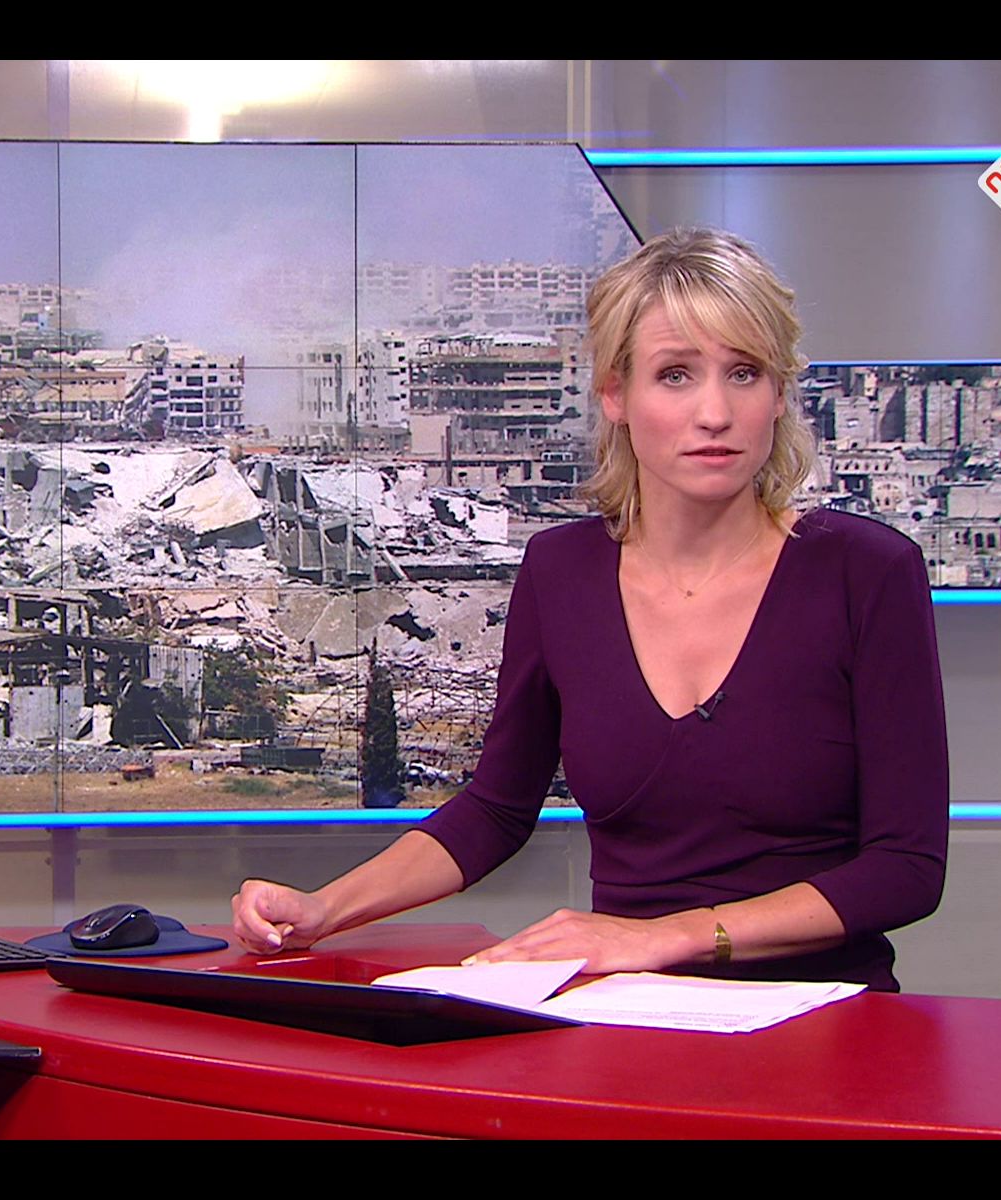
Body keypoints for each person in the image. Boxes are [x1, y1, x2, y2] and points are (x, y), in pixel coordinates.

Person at [231, 227, 949, 991]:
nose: (715, 411)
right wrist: (324, 908)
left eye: (744, 373)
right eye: (675, 375)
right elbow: (496, 809)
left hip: (827, 1013)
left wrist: (664, 938)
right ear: (616, 394)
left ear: (778, 396)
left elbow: (906, 867)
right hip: (628, 1015)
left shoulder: (867, 572)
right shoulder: (561, 571)